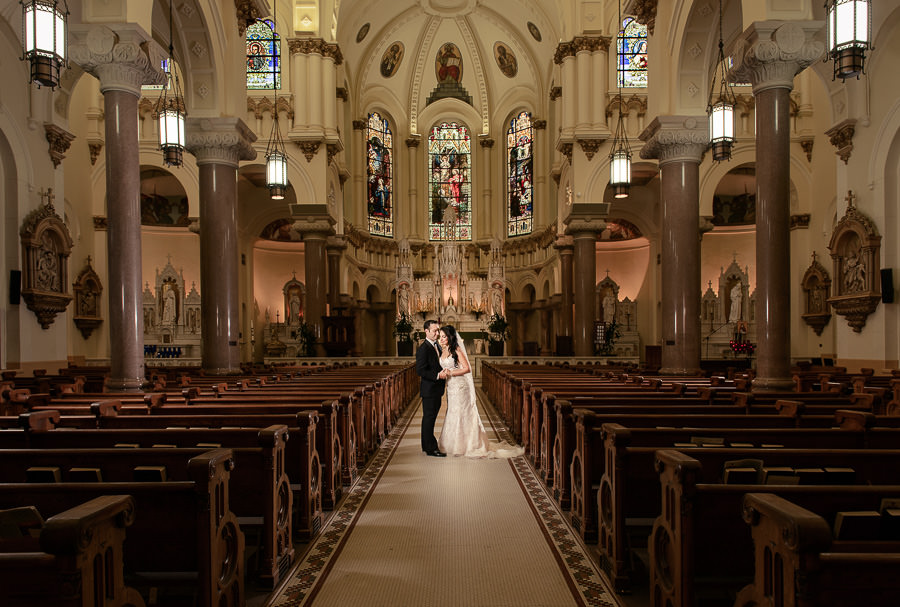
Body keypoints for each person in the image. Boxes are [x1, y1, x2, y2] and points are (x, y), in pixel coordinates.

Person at [437, 324, 524, 458]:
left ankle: (468, 444)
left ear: (450, 337)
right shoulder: (443, 351)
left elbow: (467, 369)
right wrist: (443, 372)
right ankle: (452, 443)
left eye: (444, 336)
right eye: (440, 336)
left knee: (462, 412)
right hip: (451, 387)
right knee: (453, 411)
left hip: (460, 386)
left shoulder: (457, 349)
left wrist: (451, 372)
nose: (441, 339)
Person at [415, 319, 446, 457]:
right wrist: (438, 375)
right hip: (429, 389)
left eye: (438, 330)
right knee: (429, 418)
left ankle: (427, 445)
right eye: (434, 330)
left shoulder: (437, 346)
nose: (437, 333)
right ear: (426, 331)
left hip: (436, 389)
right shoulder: (423, 348)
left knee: (431, 418)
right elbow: (420, 370)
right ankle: (430, 448)